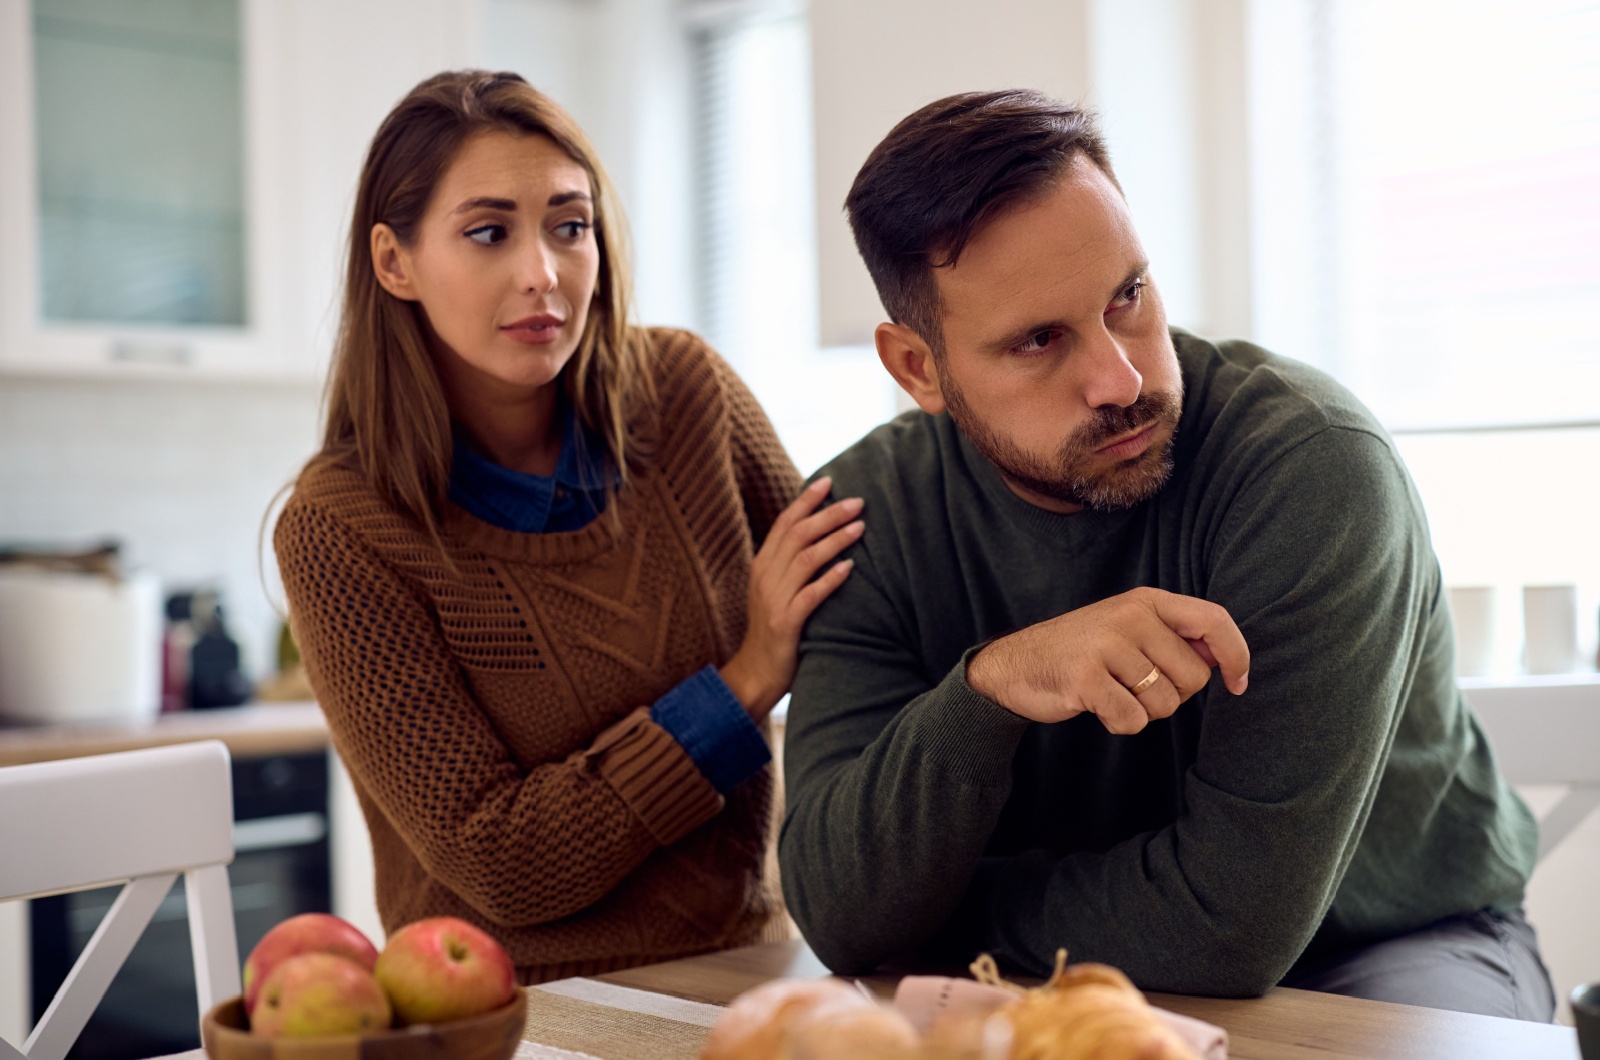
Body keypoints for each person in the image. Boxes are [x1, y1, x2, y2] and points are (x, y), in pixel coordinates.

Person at [779, 89, 1554, 1021]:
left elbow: (1232, 928)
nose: (1123, 378)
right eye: (1038, 340)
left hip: (1387, 946)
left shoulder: (1311, 466)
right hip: (1060, 978)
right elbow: (839, 910)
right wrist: (988, 689)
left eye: (1128, 297)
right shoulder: (861, 519)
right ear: (917, 368)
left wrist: (933, 919)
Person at [273, 70, 863, 983]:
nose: (543, 272)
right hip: (513, 1009)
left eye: (570, 224)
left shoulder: (685, 393)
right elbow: (501, 861)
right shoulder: (340, 529)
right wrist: (744, 681)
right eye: (487, 232)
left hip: (750, 965)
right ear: (395, 263)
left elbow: (853, 613)